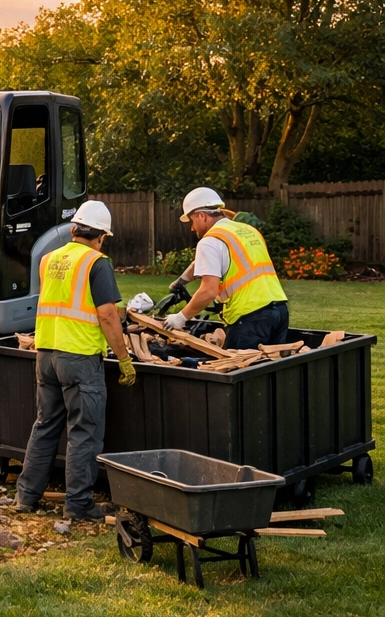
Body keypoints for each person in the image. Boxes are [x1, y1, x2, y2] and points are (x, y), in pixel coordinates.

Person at [14, 201, 135, 522]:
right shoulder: (97, 262)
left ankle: (26, 496)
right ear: (102, 237)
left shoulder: (48, 259)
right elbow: (107, 314)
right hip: (79, 359)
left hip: (45, 354)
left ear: (73, 230)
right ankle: (79, 504)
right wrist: (124, 359)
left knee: (45, 425)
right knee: (84, 431)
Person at [165, 188, 289, 350]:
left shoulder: (209, 241)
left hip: (249, 318)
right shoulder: (248, 231)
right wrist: (181, 281)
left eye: (191, 221)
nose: (192, 228)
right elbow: (208, 262)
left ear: (201, 215)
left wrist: (180, 317)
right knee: (270, 370)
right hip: (279, 311)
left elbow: (208, 291)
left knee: (239, 371)